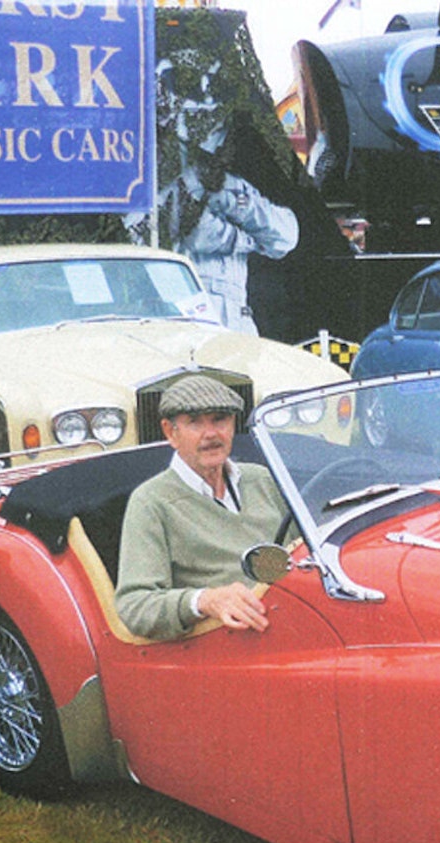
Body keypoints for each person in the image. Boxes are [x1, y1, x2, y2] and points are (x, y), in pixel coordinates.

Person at [115, 375, 287, 641]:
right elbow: (135, 605)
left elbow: (303, 553)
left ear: (232, 426)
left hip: (288, 620)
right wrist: (206, 601)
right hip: (222, 643)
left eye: (219, 419)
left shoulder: (261, 479)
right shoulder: (151, 502)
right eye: (195, 422)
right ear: (171, 433)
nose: (211, 434)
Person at [174, 135, 300, 335]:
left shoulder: (235, 184)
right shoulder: (176, 179)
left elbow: (286, 238)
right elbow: (198, 233)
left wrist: (234, 203)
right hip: (192, 314)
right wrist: (248, 241)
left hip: (238, 319)